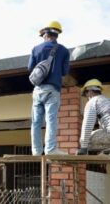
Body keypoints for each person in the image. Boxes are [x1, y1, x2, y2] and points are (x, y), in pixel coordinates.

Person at [28, 21, 70, 155]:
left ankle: (36, 150)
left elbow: (30, 68)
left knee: (35, 121)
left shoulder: (35, 49)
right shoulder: (63, 50)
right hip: (52, 89)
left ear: (45, 34)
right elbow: (64, 72)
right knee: (51, 119)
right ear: (57, 35)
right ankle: (51, 149)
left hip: (38, 89)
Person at [76, 79, 110, 155]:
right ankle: (108, 151)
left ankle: (106, 151)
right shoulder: (108, 100)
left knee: (88, 138)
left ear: (90, 91)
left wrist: (83, 147)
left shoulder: (93, 101)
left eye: (85, 93)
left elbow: (87, 125)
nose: (86, 96)